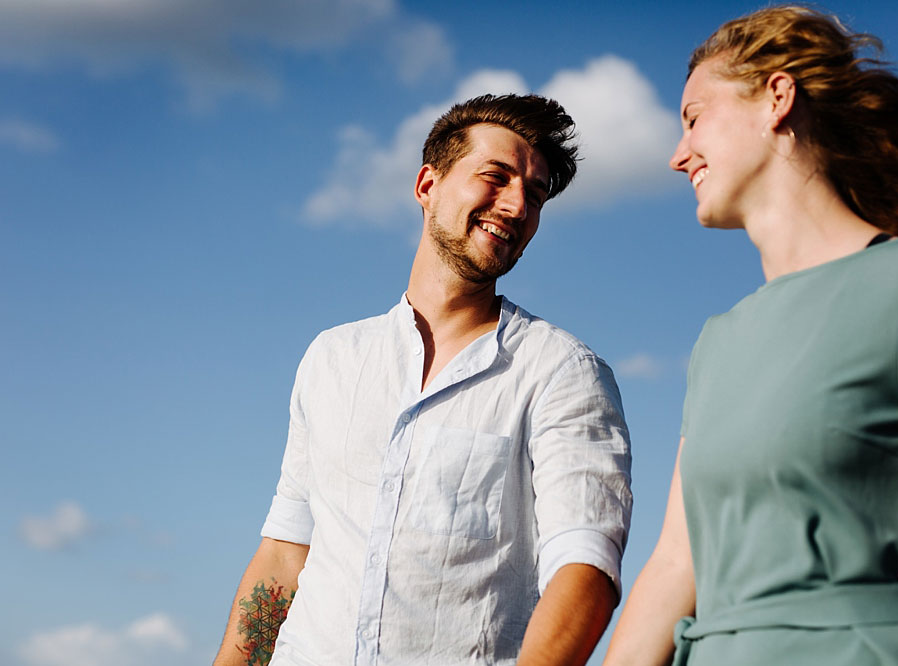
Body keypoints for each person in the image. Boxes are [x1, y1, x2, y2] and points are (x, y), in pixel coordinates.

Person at [604, 6, 898, 666]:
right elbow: (676, 565)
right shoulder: (718, 342)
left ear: (777, 98)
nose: (678, 155)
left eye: (694, 118)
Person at [213, 94, 632, 666]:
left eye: (533, 196)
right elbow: (285, 556)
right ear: (427, 185)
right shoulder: (332, 357)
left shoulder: (561, 371)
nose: (515, 206)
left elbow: (585, 568)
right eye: (496, 177)